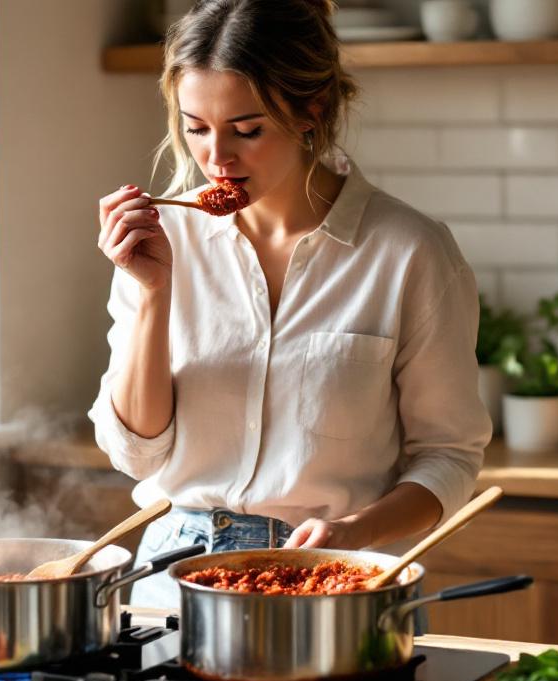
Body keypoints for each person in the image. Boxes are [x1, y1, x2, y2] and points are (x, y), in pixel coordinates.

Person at [89, 0, 491, 609]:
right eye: (196, 128)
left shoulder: (409, 253)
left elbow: (450, 456)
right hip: (169, 578)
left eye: (247, 130)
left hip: (333, 579)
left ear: (312, 110)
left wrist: (360, 531)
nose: (217, 159)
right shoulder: (164, 243)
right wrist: (151, 295)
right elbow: (137, 453)